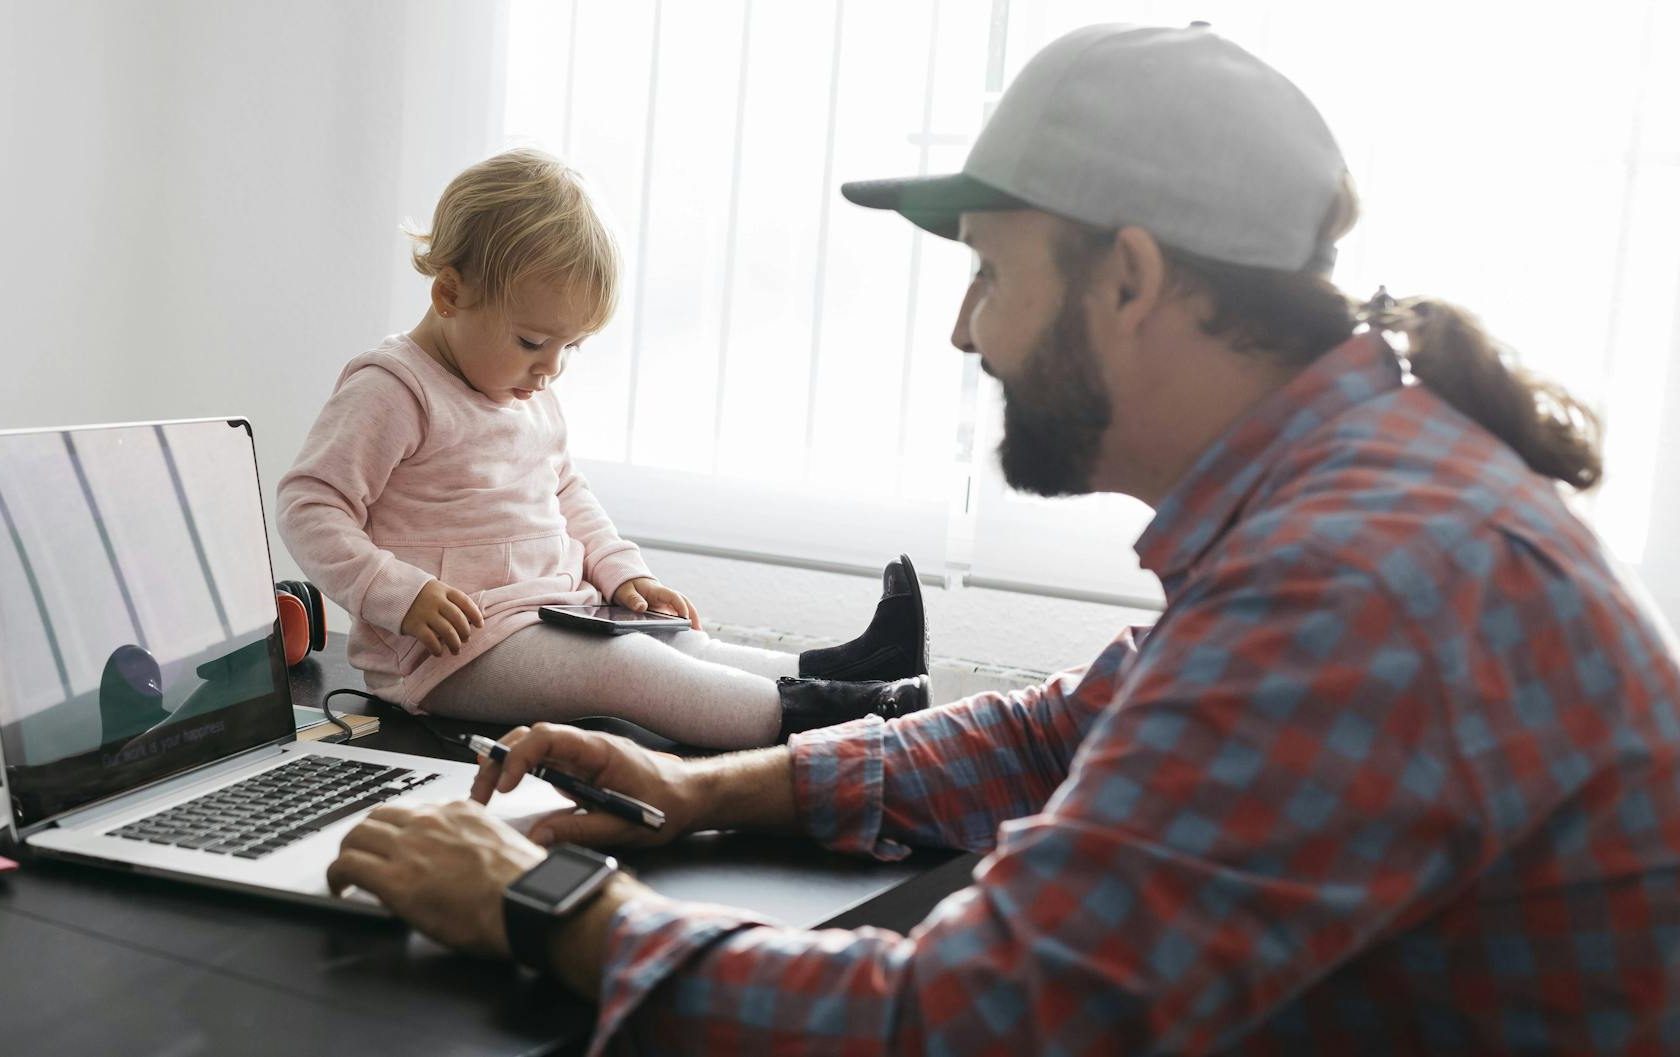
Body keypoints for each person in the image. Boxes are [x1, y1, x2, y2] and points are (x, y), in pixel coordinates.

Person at [326, 23, 1680, 1054]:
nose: (965, 330)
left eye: (989, 272)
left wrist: (548, 903)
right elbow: (1074, 726)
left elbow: (971, 1022)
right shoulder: (1359, 495)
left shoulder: (1358, 580)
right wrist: (708, 787)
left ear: (1131, 279)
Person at [276, 149, 931, 749]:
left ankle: (851, 672)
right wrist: (397, 593)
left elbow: (566, 493)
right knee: (627, 670)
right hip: (447, 654)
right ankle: (840, 722)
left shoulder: (523, 391)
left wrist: (622, 571)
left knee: (678, 643)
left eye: (570, 348)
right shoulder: (394, 389)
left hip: (553, 614)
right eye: (534, 341)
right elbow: (309, 504)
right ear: (450, 294)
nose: (551, 368)